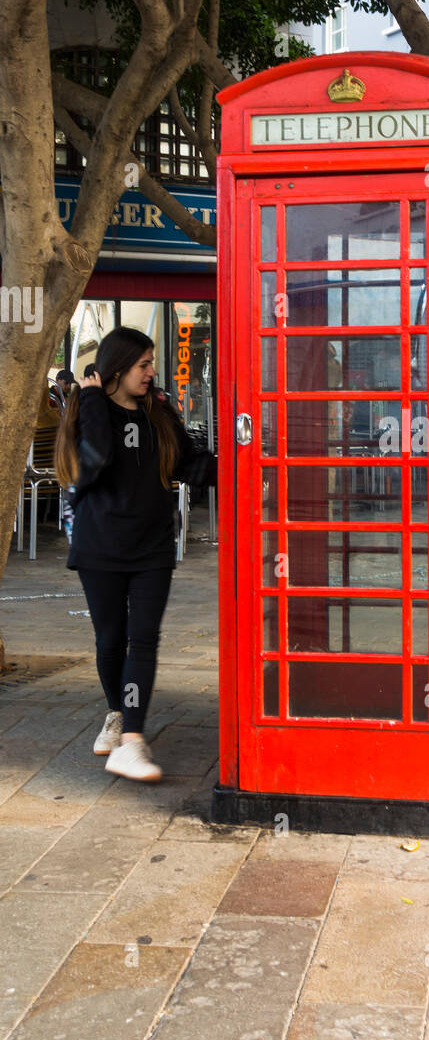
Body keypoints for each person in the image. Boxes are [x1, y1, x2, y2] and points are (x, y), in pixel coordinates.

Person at [54, 327, 217, 782]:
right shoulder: (89, 412)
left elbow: (190, 463)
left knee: (143, 639)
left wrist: (249, 467)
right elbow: (98, 458)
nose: (151, 373)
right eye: (143, 365)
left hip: (152, 547)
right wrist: (89, 398)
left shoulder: (158, 414)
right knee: (111, 640)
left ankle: (131, 740)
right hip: (100, 546)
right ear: (119, 367)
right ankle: (117, 713)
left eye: (151, 364)